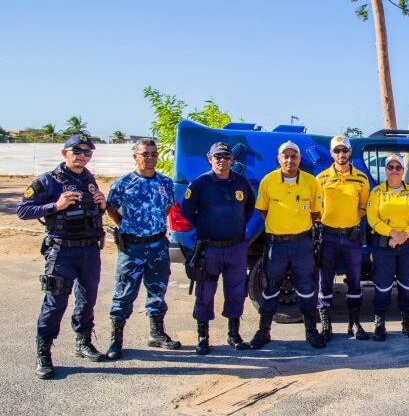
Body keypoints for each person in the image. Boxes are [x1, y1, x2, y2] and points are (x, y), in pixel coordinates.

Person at [18, 134, 107, 379]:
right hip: (62, 251)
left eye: (87, 152)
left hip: (89, 250)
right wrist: (55, 206)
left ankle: (83, 341)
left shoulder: (89, 180)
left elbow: (92, 214)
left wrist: (101, 205)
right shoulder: (48, 181)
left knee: (87, 299)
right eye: (76, 151)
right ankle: (44, 352)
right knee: (55, 302)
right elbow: (22, 210)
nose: (82, 156)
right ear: (64, 153)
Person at [104, 138, 181, 360]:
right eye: (145, 153)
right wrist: (127, 226)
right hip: (132, 247)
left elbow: (167, 207)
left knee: (158, 290)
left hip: (157, 244)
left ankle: (156, 334)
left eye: (153, 154)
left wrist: (151, 226)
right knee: (124, 293)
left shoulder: (165, 183)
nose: (150, 158)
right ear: (135, 156)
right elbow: (111, 208)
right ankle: (115, 340)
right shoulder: (122, 183)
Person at [250, 141, 326, 349]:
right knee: (270, 289)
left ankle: (311, 331)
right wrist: (280, 224)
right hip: (277, 245)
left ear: (300, 159)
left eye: (294, 156)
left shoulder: (311, 182)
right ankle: (263, 331)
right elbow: (263, 210)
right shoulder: (268, 181)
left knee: (306, 289)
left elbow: (315, 212)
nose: (290, 160)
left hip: (302, 244)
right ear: (279, 159)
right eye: (286, 156)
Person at [181, 142, 255, 355]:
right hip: (209, 249)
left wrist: (236, 226)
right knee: (205, 293)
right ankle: (203, 337)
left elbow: (249, 208)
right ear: (209, 158)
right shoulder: (200, 184)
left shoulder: (241, 183)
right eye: (218, 157)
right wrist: (206, 226)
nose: (222, 161)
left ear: (232, 160)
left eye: (226, 157)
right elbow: (187, 212)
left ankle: (233, 334)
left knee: (236, 292)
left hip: (235, 248)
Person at [315, 136, 370, 342]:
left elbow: (364, 207)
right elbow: (316, 207)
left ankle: (354, 323)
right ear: (331, 154)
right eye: (337, 151)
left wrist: (352, 221)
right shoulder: (320, 179)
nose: (341, 154)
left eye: (344, 150)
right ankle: (326, 324)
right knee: (325, 281)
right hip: (327, 236)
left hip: (351, 238)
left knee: (354, 282)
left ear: (350, 152)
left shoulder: (361, 179)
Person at [366, 154, 409, 341]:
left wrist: (404, 235)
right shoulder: (377, 192)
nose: (394, 170)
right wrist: (392, 234)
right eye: (390, 167)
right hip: (384, 244)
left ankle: (407, 322)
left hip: (408, 243)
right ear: (385, 170)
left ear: (403, 170)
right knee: (382, 284)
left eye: (398, 167)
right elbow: (372, 218)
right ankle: (379, 323)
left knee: (407, 284)